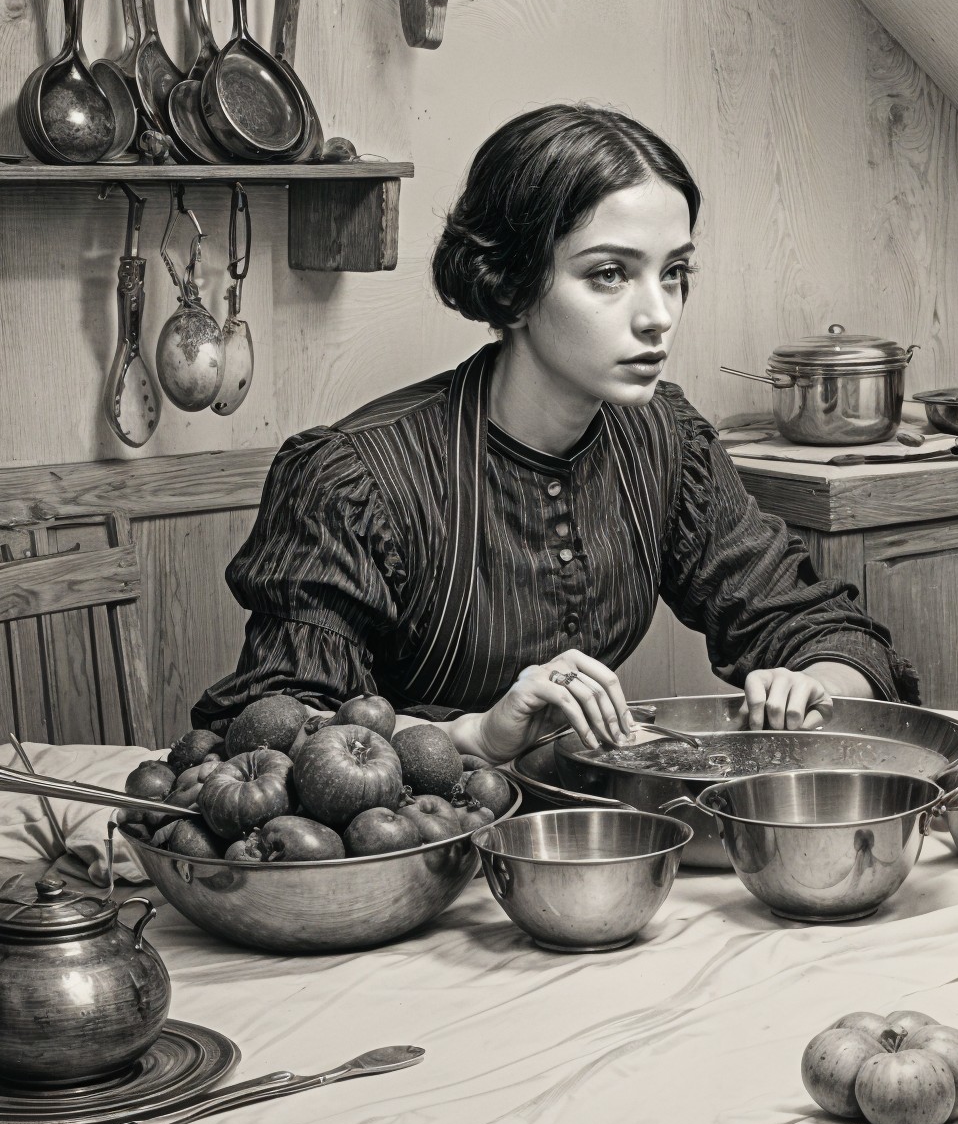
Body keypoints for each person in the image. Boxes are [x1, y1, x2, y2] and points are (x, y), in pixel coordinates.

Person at [194, 104, 918, 760]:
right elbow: (277, 732)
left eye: (673, 273)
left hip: (581, 842)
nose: (657, 315)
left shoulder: (667, 442)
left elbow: (814, 624)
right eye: (609, 274)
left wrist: (815, 684)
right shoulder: (355, 478)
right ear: (511, 282)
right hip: (406, 856)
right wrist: (475, 735)